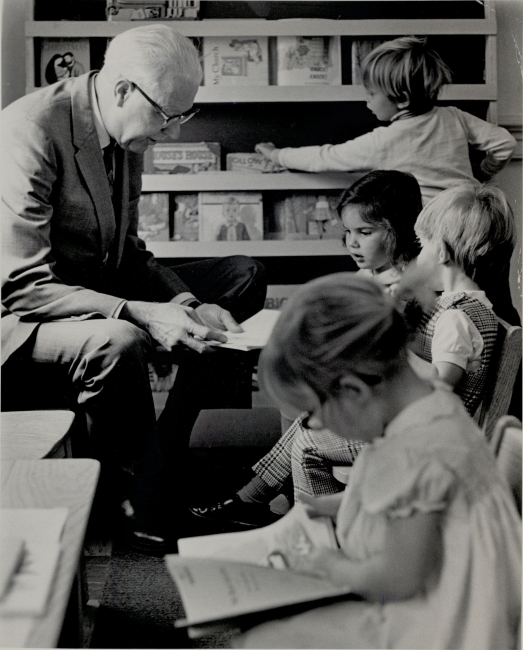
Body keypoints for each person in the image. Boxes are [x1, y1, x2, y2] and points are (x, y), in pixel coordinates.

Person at [1, 24, 266, 552]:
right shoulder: (29, 129)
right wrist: (139, 313)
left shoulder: (126, 132)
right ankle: (141, 508)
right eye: (168, 118)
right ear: (123, 90)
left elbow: (130, 252)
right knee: (117, 341)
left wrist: (186, 303)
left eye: (182, 118)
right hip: (23, 318)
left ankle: (163, 454)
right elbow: (21, 285)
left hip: (94, 287)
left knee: (243, 273)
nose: (172, 134)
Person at [192, 181, 515, 524]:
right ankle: (293, 514)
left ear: (443, 252)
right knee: (309, 427)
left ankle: (318, 530)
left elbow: (439, 388)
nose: (417, 254)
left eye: (423, 244)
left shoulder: (455, 317)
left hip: (422, 436)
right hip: (425, 428)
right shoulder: (468, 306)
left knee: (308, 442)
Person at [233, 273, 521, 650]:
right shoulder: (436, 406)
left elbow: (399, 577)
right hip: (480, 597)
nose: (316, 426)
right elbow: (428, 507)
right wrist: (338, 503)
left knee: (264, 640)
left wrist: (331, 568)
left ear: (353, 391)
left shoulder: (407, 453)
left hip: (447, 622)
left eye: (313, 413)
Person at [190, 170, 423, 526]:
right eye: (347, 232)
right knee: (300, 409)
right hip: (370, 398)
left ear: (400, 230)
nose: (352, 243)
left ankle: (261, 500)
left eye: (365, 232)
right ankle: (261, 497)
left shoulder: (404, 290)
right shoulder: (369, 278)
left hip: (387, 408)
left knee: (305, 419)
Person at [255, 36, 516, 206]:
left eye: (370, 94)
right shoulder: (454, 116)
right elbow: (505, 142)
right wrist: (484, 172)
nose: (367, 101)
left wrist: (277, 154)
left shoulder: (383, 140)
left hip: (426, 224)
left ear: (401, 99)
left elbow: (325, 157)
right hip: (472, 214)